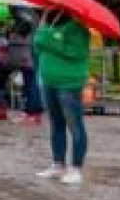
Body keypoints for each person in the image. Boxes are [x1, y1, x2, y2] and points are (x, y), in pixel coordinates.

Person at [32, 10, 90, 185]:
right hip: (48, 81)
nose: (47, 9)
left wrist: (48, 39)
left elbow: (75, 53)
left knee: (75, 126)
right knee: (56, 124)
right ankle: (58, 164)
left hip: (69, 84)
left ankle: (76, 169)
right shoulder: (49, 26)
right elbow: (37, 45)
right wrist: (44, 29)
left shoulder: (78, 28)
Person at [0, 10, 34, 121]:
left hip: (7, 61)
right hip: (9, 60)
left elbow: (10, 43)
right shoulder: (21, 28)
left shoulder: (19, 29)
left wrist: (7, 34)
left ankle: (0, 109)